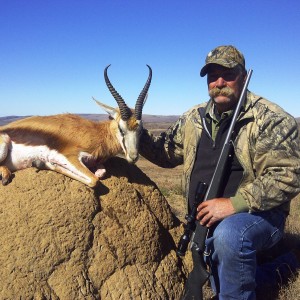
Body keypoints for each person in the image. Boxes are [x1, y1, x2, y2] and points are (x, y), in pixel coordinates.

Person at [139, 45, 300, 299]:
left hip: (258, 215)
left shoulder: (271, 119)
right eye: (213, 76)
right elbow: (164, 153)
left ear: (244, 77)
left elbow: (290, 176)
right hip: (203, 219)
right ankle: (286, 264)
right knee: (220, 283)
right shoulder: (194, 117)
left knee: (230, 236)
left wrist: (234, 204)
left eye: (228, 74)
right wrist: (131, 130)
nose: (219, 82)